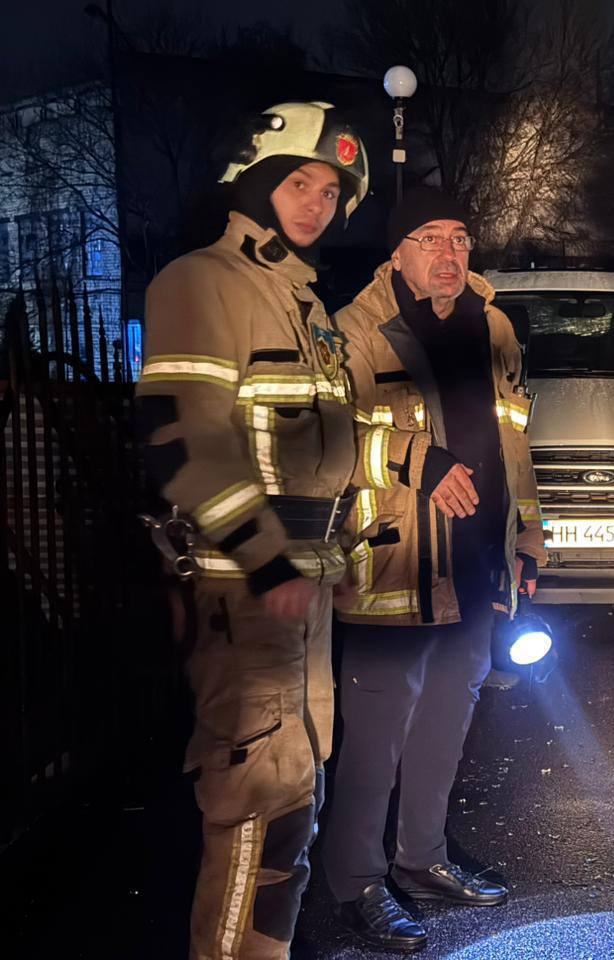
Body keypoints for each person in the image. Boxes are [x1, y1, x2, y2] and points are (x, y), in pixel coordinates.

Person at [135, 101, 369, 959]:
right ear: (257, 181)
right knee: (250, 806)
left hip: (303, 595)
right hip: (246, 593)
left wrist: (337, 555)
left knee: (293, 801)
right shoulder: (202, 282)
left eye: (331, 192)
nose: (316, 204)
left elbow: (318, 456)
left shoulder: (306, 305)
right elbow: (182, 443)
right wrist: (268, 564)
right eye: (299, 183)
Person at [321, 187, 547, 951]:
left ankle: (421, 859)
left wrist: (529, 540)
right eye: (429, 238)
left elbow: (516, 442)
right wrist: (415, 459)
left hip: (478, 562)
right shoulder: (353, 331)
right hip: (395, 563)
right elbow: (319, 444)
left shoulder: (494, 324)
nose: (448, 254)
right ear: (397, 252)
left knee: (449, 715)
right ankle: (356, 882)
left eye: (459, 238)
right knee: (376, 730)